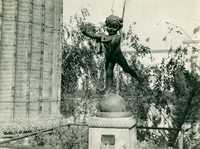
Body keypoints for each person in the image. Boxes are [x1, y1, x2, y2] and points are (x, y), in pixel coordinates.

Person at [80, 15, 141, 94]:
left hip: (118, 57)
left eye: (114, 27)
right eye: (109, 26)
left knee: (126, 69)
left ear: (118, 28)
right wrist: (85, 32)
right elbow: (94, 35)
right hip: (109, 58)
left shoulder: (117, 37)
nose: (111, 29)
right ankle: (109, 89)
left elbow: (113, 43)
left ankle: (138, 77)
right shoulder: (104, 36)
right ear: (106, 26)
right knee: (109, 74)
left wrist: (102, 41)